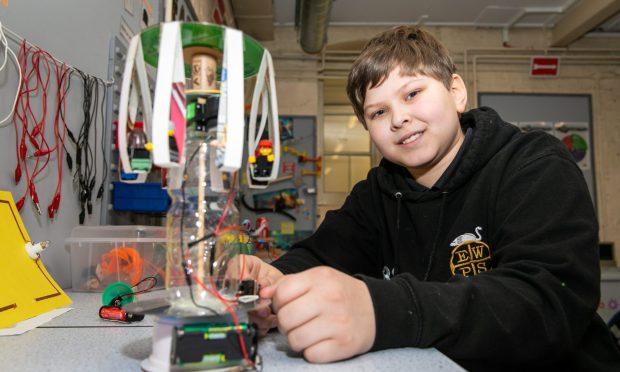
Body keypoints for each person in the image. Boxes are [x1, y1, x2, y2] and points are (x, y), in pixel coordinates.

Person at [242, 25, 620, 371]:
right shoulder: (377, 192)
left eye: (412, 93)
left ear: (456, 92)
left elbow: (547, 305)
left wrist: (383, 311)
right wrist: (277, 280)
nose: (399, 118)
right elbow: (322, 254)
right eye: (378, 112)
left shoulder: (535, 165)